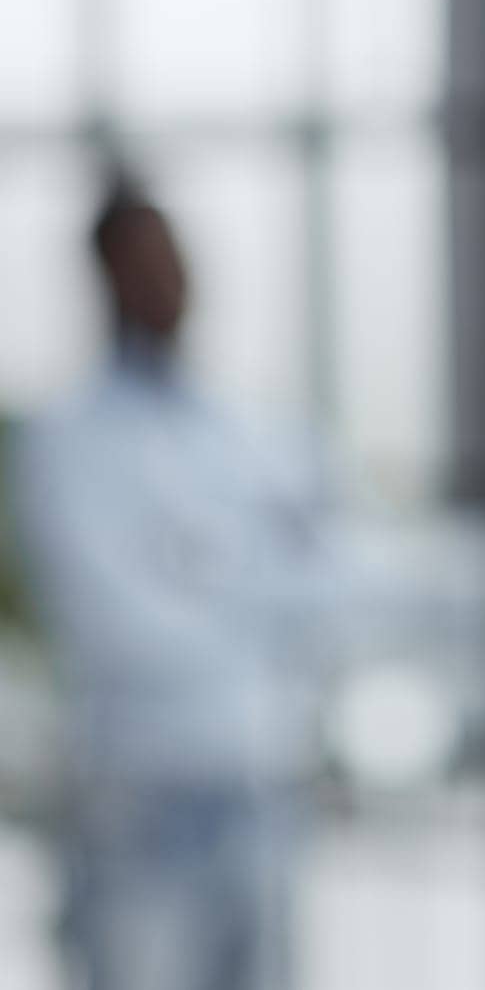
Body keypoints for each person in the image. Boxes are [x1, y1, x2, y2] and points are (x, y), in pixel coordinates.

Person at [11, 175, 335, 990]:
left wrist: (204, 577)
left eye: (174, 257)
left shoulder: (249, 429)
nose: (167, 279)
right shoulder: (67, 438)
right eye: (143, 261)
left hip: (259, 786)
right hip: (138, 798)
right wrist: (248, 596)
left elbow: (323, 583)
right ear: (107, 278)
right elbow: (110, 621)